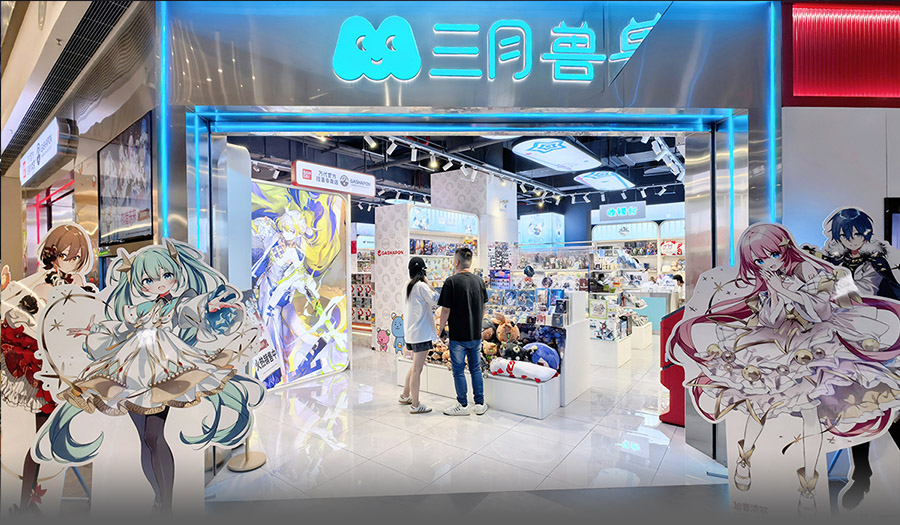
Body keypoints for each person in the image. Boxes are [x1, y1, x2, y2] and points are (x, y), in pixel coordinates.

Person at [437, 247, 489, 416]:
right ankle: (480, 404)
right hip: (475, 334)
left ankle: (463, 404)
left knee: (458, 371)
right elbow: (484, 307)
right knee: (475, 369)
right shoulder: (479, 281)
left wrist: (441, 329)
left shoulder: (451, 282)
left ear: (457, 262)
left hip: (458, 335)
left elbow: (445, 309)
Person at [398, 257, 437, 414]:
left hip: (411, 333)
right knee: (417, 369)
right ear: (423, 271)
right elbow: (435, 300)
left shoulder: (407, 285)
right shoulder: (421, 286)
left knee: (414, 366)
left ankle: (405, 395)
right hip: (421, 333)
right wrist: (429, 284)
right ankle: (415, 404)